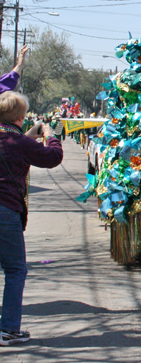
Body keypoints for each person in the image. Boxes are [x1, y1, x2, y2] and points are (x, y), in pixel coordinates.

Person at [0, 92, 64, 345]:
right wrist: (50, 136)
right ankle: (9, 329)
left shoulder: (16, 141)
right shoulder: (19, 143)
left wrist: (27, 137)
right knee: (15, 270)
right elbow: (53, 157)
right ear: (20, 116)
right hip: (6, 210)